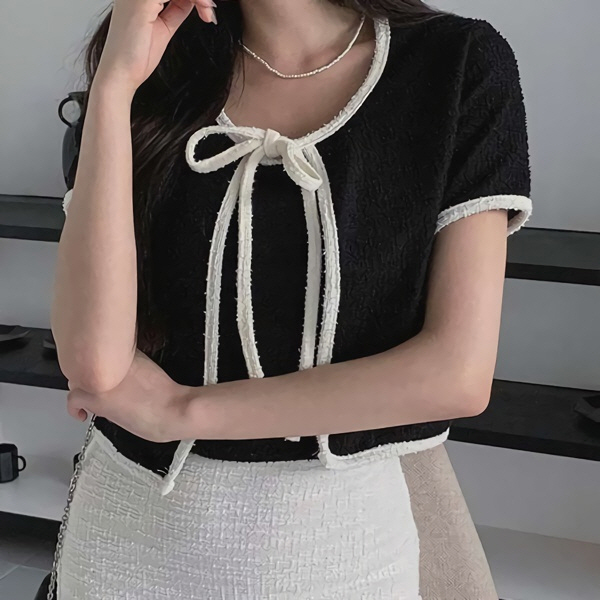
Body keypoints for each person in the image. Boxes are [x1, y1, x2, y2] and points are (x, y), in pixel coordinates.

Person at [50, 0, 531, 598]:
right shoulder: (155, 59)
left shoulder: (457, 64)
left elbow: (456, 375)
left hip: (340, 551)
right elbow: (94, 363)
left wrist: (182, 411)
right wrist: (114, 85)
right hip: (126, 543)